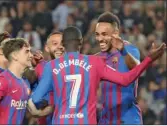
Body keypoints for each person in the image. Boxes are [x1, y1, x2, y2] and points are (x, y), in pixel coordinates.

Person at [28, 26, 166, 124]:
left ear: (63, 44)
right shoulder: (94, 62)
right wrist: (148, 59)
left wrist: (42, 112)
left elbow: (36, 98)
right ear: (81, 42)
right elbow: (126, 79)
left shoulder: (51, 66)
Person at [0, 38, 52, 124]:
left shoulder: (25, 83)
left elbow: (35, 112)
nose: (31, 55)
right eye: (27, 51)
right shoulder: (4, 79)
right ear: (15, 56)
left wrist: (55, 107)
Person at [94, 12, 141, 124]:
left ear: (115, 33)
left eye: (104, 34)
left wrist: (122, 50)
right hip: (105, 119)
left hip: (128, 117)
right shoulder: (97, 58)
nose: (100, 38)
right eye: (97, 34)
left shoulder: (129, 49)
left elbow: (136, 68)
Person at [34, 31, 64, 125]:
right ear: (47, 48)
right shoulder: (39, 66)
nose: (60, 47)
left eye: (63, 44)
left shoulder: (76, 68)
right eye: (55, 44)